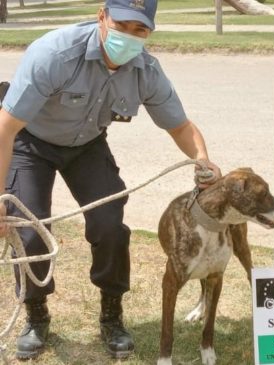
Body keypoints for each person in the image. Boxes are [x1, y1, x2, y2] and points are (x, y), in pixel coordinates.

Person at [0, 0, 221, 360]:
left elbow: (180, 125)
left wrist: (203, 159)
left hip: (87, 145)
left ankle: (112, 315)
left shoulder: (146, 70)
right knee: (29, 230)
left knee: (110, 227)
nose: (129, 37)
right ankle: (36, 316)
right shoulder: (54, 54)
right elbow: (5, 128)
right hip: (30, 142)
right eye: (122, 25)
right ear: (102, 17)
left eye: (140, 30)